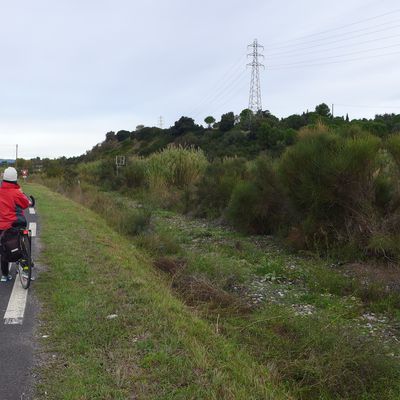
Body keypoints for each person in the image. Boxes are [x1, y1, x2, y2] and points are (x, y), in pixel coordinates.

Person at [0, 167, 33, 282]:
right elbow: (25, 204)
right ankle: (26, 266)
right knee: (24, 237)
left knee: (3, 247)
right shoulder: (16, 192)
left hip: (2, 226)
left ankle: (5, 275)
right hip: (15, 223)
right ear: (15, 179)